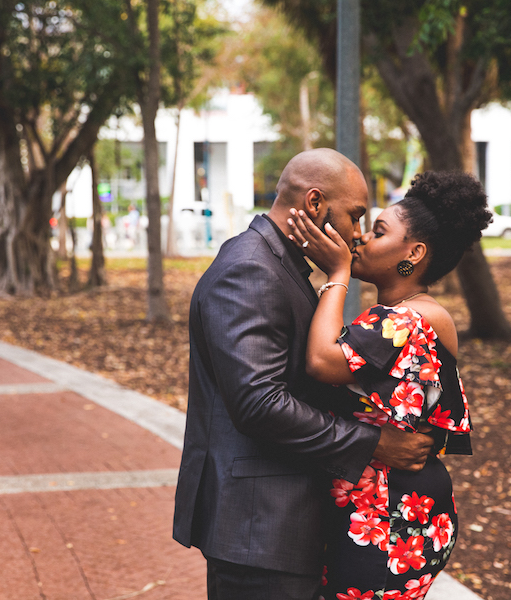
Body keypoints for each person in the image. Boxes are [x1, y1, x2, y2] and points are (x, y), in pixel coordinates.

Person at [173, 148, 436, 600]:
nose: (357, 234)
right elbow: (260, 404)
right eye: (355, 217)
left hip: (276, 528)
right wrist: (375, 444)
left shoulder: (277, 265)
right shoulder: (250, 269)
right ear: (314, 204)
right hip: (260, 531)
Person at [286, 170, 492, 599]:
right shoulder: (407, 313)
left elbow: (323, 361)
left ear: (413, 253)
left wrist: (337, 273)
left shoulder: (407, 319)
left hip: (389, 513)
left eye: (378, 230)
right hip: (384, 506)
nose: (359, 239)